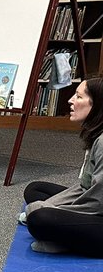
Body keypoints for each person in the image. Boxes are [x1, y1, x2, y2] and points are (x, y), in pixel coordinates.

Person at [21, 77, 103, 256]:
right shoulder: (96, 134)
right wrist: (48, 204)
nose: (71, 100)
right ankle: (66, 238)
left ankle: (68, 241)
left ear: (97, 104)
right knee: (35, 190)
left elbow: (98, 202)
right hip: (95, 205)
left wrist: (48, 210)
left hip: (100, 213)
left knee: (39, 219)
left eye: (79, 97)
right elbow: (85, 187)